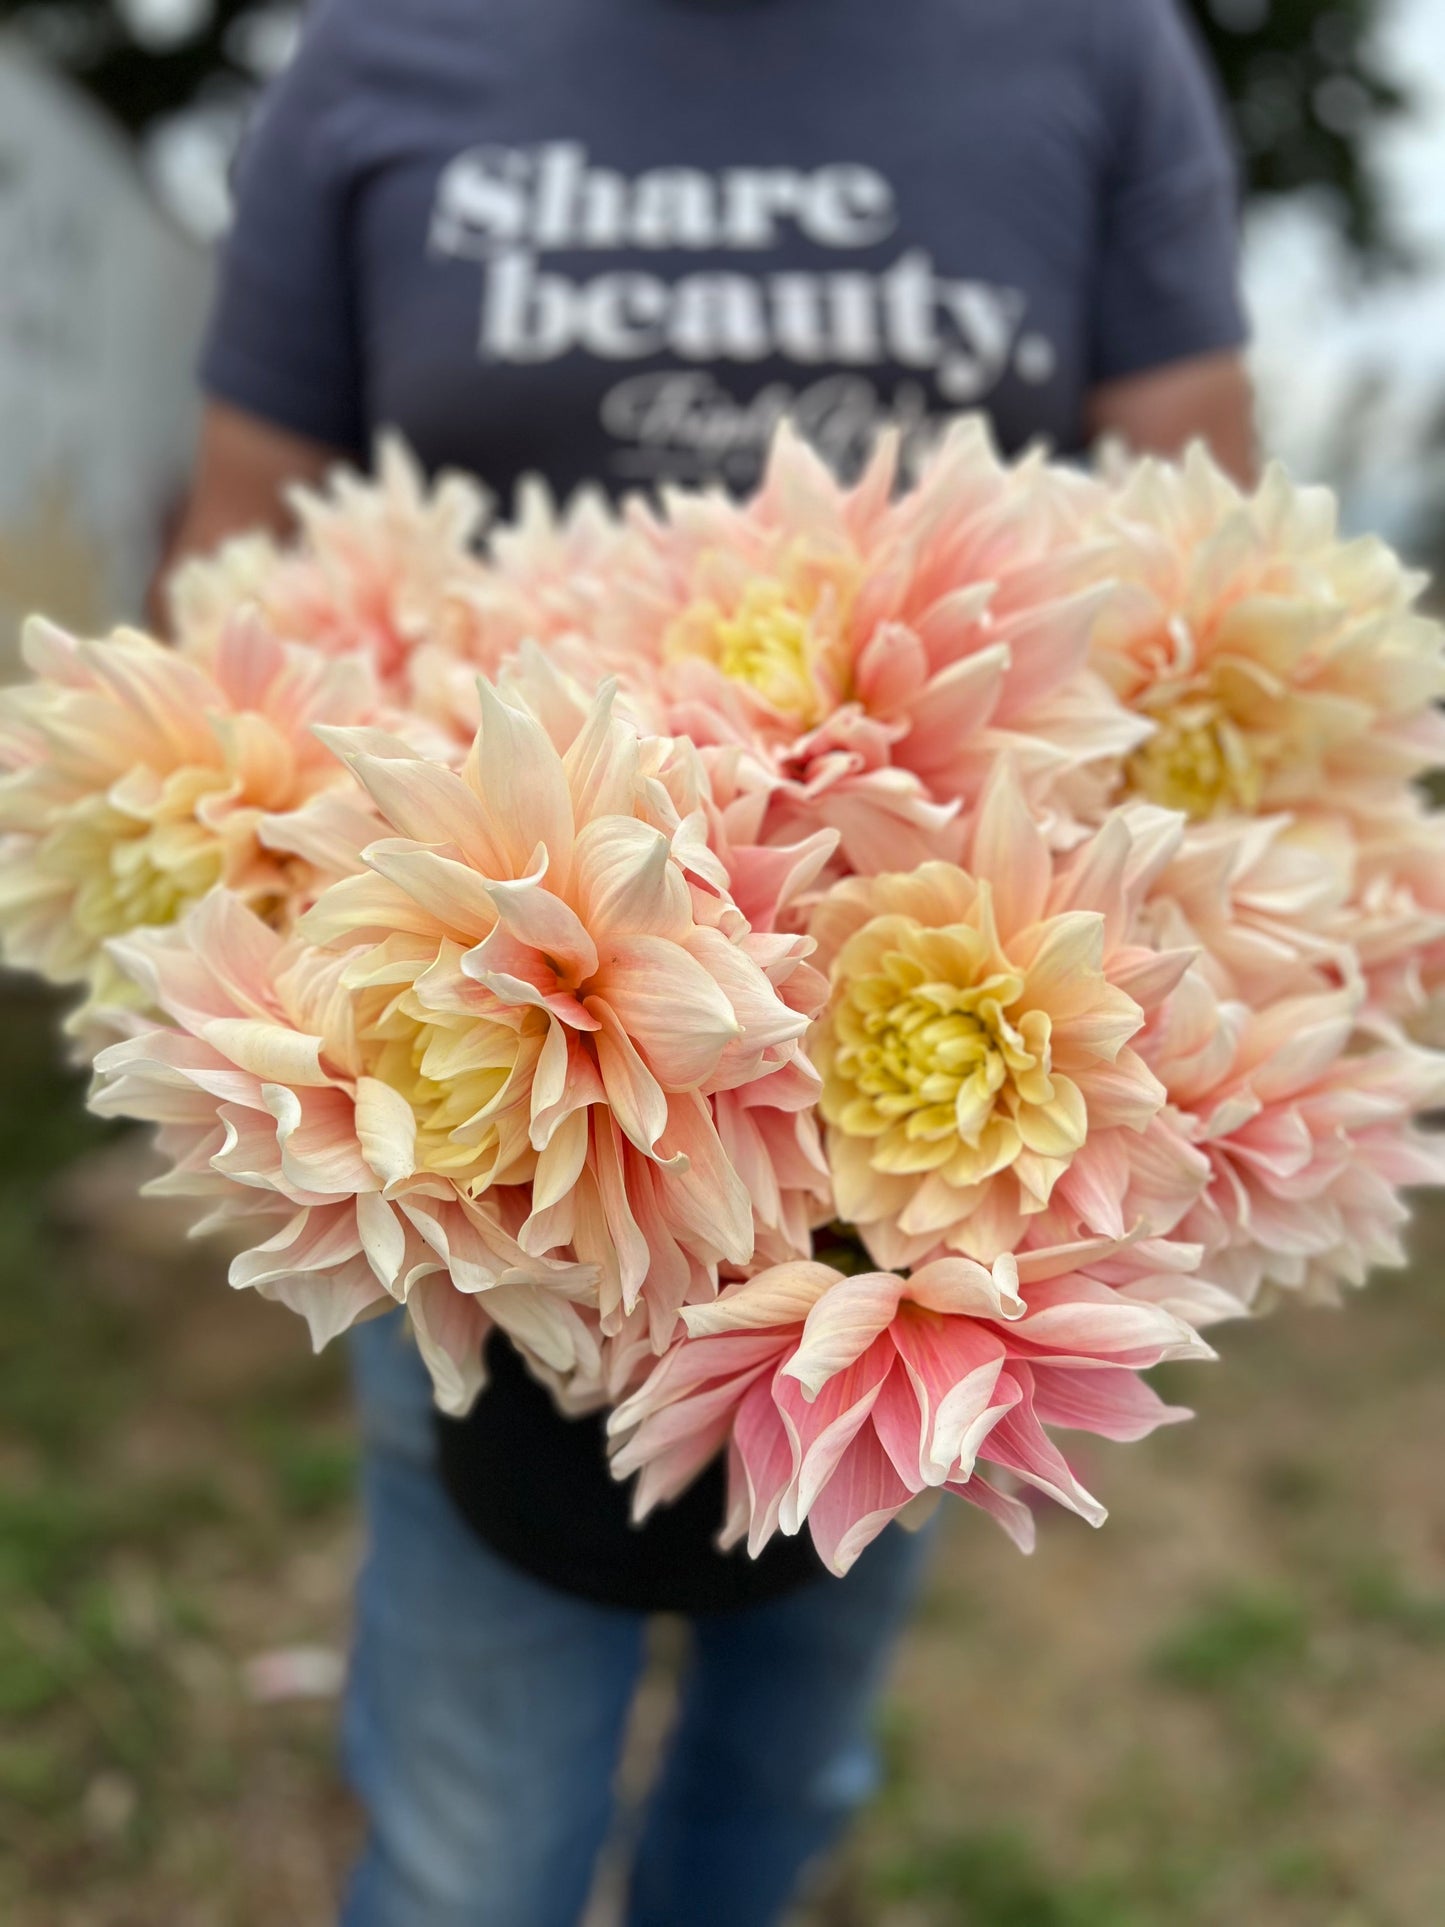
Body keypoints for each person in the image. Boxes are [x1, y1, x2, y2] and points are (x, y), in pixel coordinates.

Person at [167, 2, 1255, 1921]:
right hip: (468, 1099)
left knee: (786, 1763)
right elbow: (238, 558)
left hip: (937, 1199)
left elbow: (1201, 563)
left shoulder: (1089, 44)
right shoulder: (382, 55)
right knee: (471, 1845)